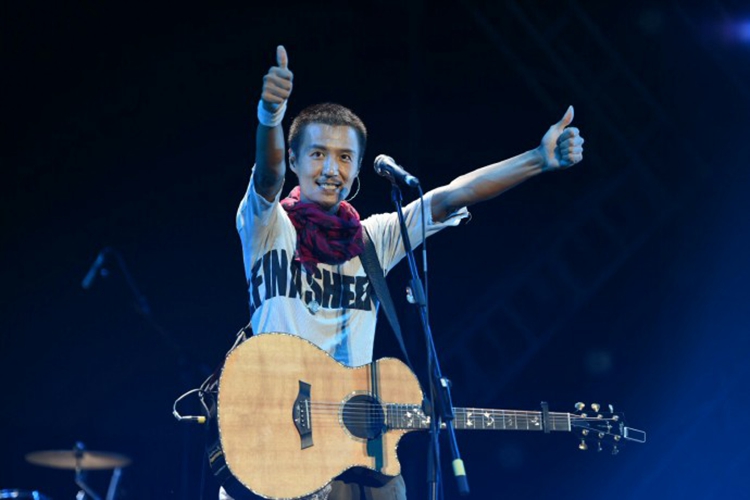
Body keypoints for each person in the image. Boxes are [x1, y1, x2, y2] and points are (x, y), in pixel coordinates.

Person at [220, 45, 584, 500]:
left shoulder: (372, 239)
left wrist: (537, 160)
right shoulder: (267, 226)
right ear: (294, 160)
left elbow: (451, 196)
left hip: (347, 449)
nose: (331, 169)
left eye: (345, 158)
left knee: (391, 486)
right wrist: (270, 116)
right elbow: (267, 177)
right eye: (317, 154)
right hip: (273, 442)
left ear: (357, 170)